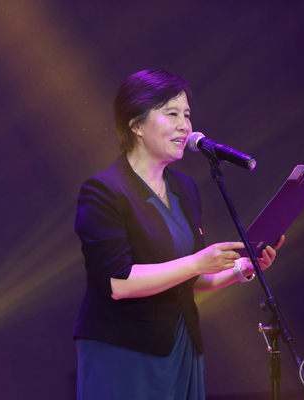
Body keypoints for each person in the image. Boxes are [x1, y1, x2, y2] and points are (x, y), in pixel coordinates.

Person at [73, 69, 284, 400]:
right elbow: (118, 283)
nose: (185, 125)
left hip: (181, 343)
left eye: (186, 114)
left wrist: (241, 269)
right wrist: (197, 262)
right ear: (136, 124)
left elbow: (192, 277)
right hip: (126, 347)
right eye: (171, 114)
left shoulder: (183, 187)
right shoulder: (103, 192)